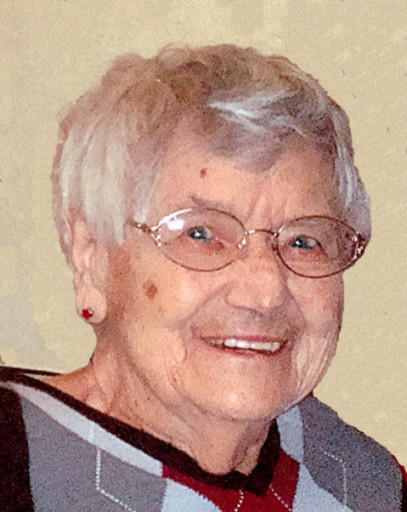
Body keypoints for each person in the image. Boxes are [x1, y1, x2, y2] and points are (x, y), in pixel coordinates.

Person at [0, 44, 405, 511]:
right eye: (201, 234)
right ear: (92, 258)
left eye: (303, 241)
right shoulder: (20, 463)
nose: (265, 292)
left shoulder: (367, 484)